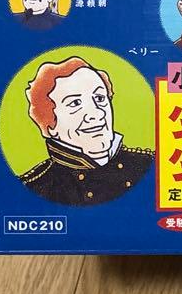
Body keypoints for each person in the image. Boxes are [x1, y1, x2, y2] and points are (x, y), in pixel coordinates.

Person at [21, 56, 153, 205]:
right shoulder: (35, 186)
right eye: (75, 103)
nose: (97, 113)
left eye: (100, 98)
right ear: (49, 123)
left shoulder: (149, 164)